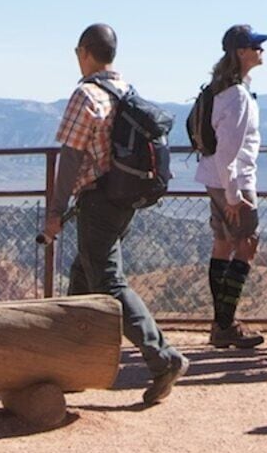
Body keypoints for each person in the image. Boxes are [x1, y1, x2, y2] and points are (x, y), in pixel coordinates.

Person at [43, 23, 185, 405]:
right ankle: (69, 363)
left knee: (108, 282)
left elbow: (70, 158)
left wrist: (54, 213)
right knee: (83, 275)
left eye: (77, 52)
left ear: (85, 52)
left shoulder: (86, 93)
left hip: (98, 201)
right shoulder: (124, 90)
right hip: (123, 199)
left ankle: (163, 358)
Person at [190, 26, 267, 351]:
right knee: (246, 244)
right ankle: (225, 324)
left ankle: (221, 324)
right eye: (256, 46)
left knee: (223, 244)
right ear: (241, 52)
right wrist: (234, 195)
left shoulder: (223, 89)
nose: (261, 51)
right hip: (233, 182)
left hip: (215, 178)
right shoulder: (237, 95)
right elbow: (229, 151)